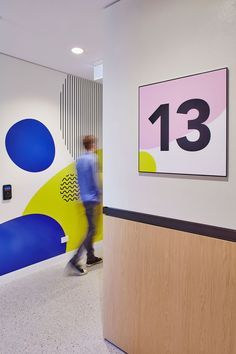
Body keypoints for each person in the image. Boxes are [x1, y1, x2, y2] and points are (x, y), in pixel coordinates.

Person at [68, 135, 102, 275]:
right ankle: (75, 260)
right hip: (92, 199)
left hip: (83, 198)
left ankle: (91, 257)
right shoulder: (92, 159)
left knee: (91, 228)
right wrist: (100, 194)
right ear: (92, 144)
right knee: (91, 230)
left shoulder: (79, 160)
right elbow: (94, 179)